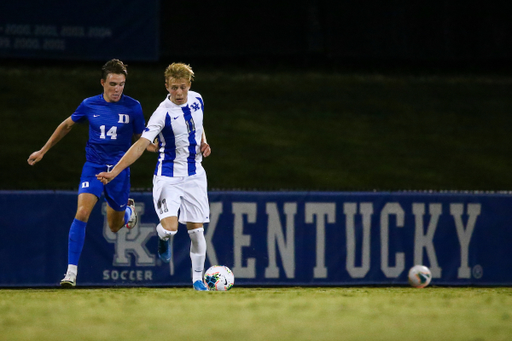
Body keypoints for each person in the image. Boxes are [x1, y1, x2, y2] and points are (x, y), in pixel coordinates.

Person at [27, 59, 146, 288]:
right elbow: (67, 125)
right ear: (102, 82)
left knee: (114, 225)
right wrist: (43, 150)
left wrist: (160, 146)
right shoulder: (89, 105)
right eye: (112, 84)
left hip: (119, 170)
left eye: (121, 84)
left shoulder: (133, 107)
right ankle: (71, 273)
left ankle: (129, 213)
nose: (117, 89)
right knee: (82, 212)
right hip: (93, 166)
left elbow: (142, 140)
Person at [96, 62, 212, 291]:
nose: (178, 93)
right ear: (166, 86)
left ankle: (197, 280)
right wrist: (114, 171)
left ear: (189, 85)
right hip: (168, 177)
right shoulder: (162, 113)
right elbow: (140, 145)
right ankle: (162, 237)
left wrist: (203, 142)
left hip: (195, 175)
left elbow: (198, 125)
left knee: (197, 232)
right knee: (170, 229)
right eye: (173, 88)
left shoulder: (197, 99)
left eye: (182, 87)